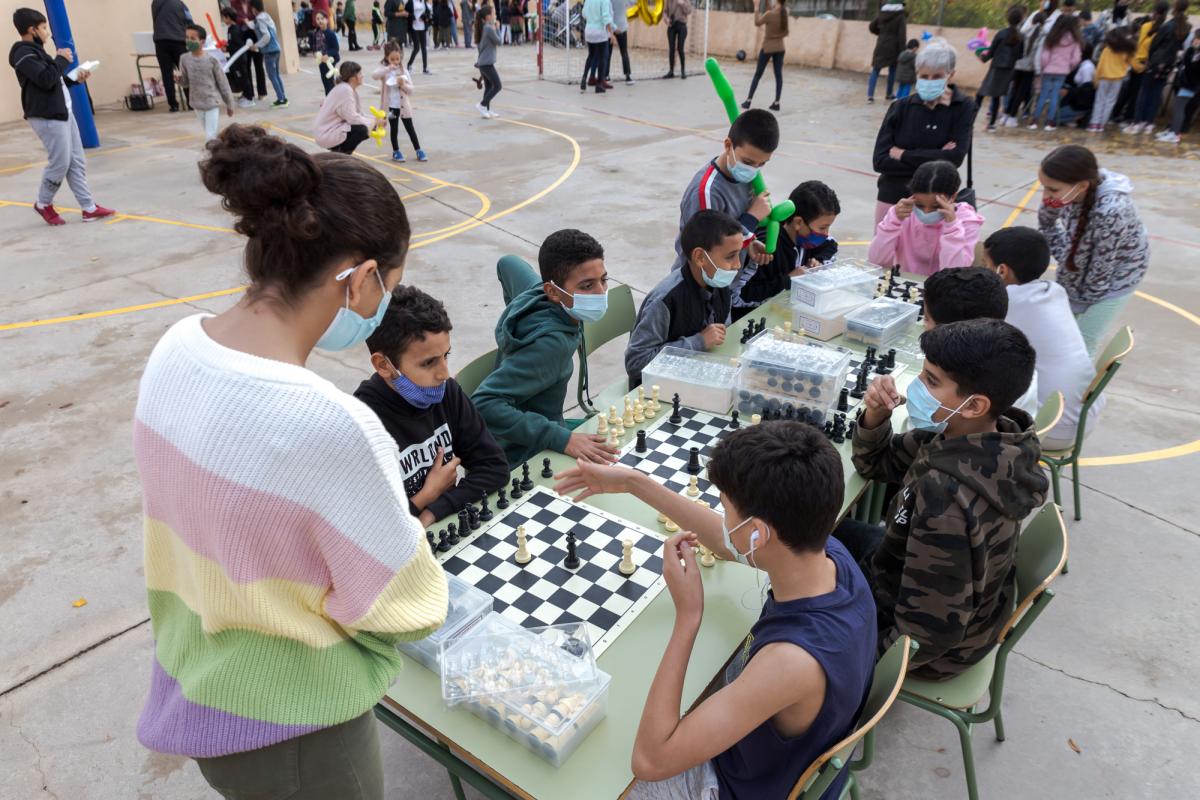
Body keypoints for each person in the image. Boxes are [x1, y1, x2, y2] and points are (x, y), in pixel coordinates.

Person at [134, 123, 448, 800]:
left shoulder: (174, 348)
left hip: (203, 691)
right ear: (362, 281)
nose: (383, 300)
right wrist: (408, 534)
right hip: (297, 731)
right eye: (389, 285)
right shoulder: (329, 422)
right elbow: (406, 606)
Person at [553, 421, 876, 800]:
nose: (723, 520)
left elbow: (651, 761)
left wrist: (688, 618)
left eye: (725, 508)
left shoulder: (791, 662)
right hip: (778, 752)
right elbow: (730, 545)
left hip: (734, 786)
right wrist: (633, 483)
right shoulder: (831, 557)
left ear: (758, 533)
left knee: (588, 776)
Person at [834, 318, 1048, 679]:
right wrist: (875, 417)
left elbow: (928, 632)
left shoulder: (945, 498)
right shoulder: (979, 437)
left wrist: (857, 668)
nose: (915, 388)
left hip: (928, 645)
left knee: (794, 577)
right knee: (817, 534)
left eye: (931, 381)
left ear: (975, 405)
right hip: (909, 575)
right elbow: (876, 464)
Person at [356, 286, 509, 526]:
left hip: (438, 525)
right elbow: (368, 527)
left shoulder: (446, 392)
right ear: (383, 365)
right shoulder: (361, 426)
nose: (444, 374)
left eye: (446, 356)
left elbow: (494, 467)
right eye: (428, 363)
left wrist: (433, 510)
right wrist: (425, 497)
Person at [472, 229, 620, 468]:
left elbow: (507, 264)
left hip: (543, 428)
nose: (601, 293)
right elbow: (483, 403)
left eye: (603, 280)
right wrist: (561, 438)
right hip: (521, 453)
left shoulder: (538, 292)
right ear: (552, 291)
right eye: (587, 286)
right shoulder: (550, 345)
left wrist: (517, 315)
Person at [983, 226, 1102, 451]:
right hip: (1083, 417)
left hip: (1051, 429)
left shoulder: (1006, 303)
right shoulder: (1054, 291)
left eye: (985, 264)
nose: (984, 269)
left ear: (1001, 271)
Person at [1037, 144, 1150, 356]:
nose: (1045, 196)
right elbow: (1069, 257)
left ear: (1081, 186)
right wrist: (1047, 218)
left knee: (1083, 343)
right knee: (1063, 334)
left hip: (1117, 276)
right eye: (1043, 187)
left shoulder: (1111, 213)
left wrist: (1078, 304)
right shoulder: (1069, 193)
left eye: (1052, 189)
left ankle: (1078, 389)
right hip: (1084, 268)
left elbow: (1099, 274)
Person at [8, 8, 115, 226]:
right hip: (47, 115)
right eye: (44, 27)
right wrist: (61, 60)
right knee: (60, 162)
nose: (47, 32)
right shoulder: (23, 53)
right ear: (32, 29)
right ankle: (43, 203)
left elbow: (53, 82)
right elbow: (46, 79)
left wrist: (75, 78)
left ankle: (88, 207)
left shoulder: (36, 51)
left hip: (62, 111)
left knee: (76, 161)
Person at [625, 210, 740, 387]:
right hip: (658, 389)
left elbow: (722, 335)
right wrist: (698, 342)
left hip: (697, 377)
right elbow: (636, 363)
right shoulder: (665, 300)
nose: (738, 264)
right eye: (731, 256)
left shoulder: (721, 286)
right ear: (700, 257)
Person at [671, 108, 778, 287]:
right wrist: (752, 218)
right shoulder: (706, 192)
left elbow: (734, 230)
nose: (754, 170)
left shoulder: (746, 176)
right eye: (749, 162)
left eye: (762, 164)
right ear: (728, 145)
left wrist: (750, 241)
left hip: (725, 284)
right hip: (698, 284)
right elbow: (709, 249)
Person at [871, 39, 974, 226]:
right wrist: (937, 156)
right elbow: (880, 161)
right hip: (892, 195)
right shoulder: (900, 107)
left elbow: (955, 158)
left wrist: (903, 154)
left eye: (937, 76)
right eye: (924, 76)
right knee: (884, 251)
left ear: (950, 75)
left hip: (934, 203)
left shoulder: (963, 107)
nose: (929, 81)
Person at [920, 267, 1038, 417]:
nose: (923, 325)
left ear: (952, 333)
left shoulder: (958, 391)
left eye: (926, 319)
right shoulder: (1015, 359)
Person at [730, 180, 841, 317]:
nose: (826, 234)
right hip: (754, 320)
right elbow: (739, 297)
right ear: (798, 222)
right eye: (822, 227)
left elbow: (831, 245)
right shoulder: (766, 248)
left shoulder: (808, 240)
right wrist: (787, 281)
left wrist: (818, 262)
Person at [868, 160, 982, 276]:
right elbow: (877, 261)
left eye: (936, 206)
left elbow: (954, 274)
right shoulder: (903, 214)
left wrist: (952, 228)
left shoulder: (967, 221)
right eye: (920, 205)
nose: (926, 212)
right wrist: (892, 222)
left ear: (953, 197)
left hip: (944, 289)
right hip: (905, 282)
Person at [1133, 0, 1192, 134]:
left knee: (1144, 92)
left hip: (1156, 62)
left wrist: (1151, 57)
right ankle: (1149, 123)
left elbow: (1155, 44)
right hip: (1169, 63)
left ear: (1175, 8)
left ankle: (1137, 122)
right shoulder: (1186, 27)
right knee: (1156, 93)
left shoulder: (1167, 26)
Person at [178, 25, 235, 143]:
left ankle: (214, 157)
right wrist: (178, 79)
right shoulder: (184, 59)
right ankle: (221, 151)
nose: (189, 41)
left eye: (193, 38)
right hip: (196, 104)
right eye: (187, 37)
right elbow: (186, 83)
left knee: (210, 137)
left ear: (202, 41)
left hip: (211, 103)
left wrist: (229, 103)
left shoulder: (212, 61)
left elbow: (223, 83)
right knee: (210, 133)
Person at [1118, 1, 1170, 128]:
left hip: (1140, 62)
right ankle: (1137, 119)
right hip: (1148, 63)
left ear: (1154, 12)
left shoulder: (1149, 27)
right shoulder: (1164, 29)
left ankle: (1132, 119)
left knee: (1137, 93)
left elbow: (1139, 44)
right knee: (1142, 93)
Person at [314, 61, 382, 153]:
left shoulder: (348, 89)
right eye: (360, 73)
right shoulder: (345, 90)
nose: (363, 75)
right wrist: (374, 122)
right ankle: (341, 156)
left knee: (364, 127)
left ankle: (339, 154)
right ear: (353, 77)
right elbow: (353, 119)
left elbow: (359, 114)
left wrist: (376, 120)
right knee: (361, 130)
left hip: (331, 129)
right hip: (326, 133)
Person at [374, 39, 426, 161]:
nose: (396, 62)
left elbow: (411, 90)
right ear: (387, 58)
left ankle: (418, 150)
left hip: (404, 107)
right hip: (391, 107)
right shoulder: (385, 71)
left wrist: (403, 85)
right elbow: (374, 75)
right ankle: (396, 151)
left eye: (398, 59)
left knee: (410, 128)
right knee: (394, 129)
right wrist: (387, 69)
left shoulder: (404, 71)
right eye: (392, 59)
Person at [1030, 13, 1083, 130]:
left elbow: (1044, 56)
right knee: (1055, 96)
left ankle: (1034, 121)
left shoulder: (1052, 36)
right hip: (1062, 71)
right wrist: (1069, 67)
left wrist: (1044, 67)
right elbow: (1076, 59)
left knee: (1043, 95)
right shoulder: (1075, 40)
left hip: (1048, 70)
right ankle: (1049, 123)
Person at [977, 6, 1025, 131]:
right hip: (1008, 70)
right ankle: (992, 125)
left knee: (980, 94)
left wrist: (982, 57)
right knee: (996, 96)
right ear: (1021, 20)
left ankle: (969, 120)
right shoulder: (1021, 36)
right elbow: (1021, 55)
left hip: (996, 68)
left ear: (1007, 18)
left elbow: (991, 52)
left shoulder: (1001, 33)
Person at [741, 0, 787, 111]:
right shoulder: (784, 14)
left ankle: (748, 101)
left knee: (758, 74)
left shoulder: (769, 14)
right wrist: (774, 34)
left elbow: (757, 22)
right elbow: (785, 33)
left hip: (767, 48)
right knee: (778, 75)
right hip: (780, 48)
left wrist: (756, 6)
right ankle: (777, 103)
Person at [1155, 30, 1199, 142]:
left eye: (1196, 38)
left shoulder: (1195, 53)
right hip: (1186, 84)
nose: (1193, 40)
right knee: (1178, 108)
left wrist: (1188, 54)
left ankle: (1175, 133)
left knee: (1179, 109)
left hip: (1190, 85)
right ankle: (1172, 130)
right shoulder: (1195, 52)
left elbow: (1192, 69)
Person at [1089, 26, 1136, 131]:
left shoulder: (1107, 49)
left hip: (1104, 77)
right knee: (1110, 102)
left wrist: (1096, 78)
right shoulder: (1126, 50)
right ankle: (1102, 125)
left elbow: (1100, 65)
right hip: (1118, 79)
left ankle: (1094, 124)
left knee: (1099, 101)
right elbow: (1133, 63)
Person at [1003, 11, 1043, 125]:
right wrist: (1038, 70)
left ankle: (1006, 114)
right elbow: (1038, 54)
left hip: (1017, 65)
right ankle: (1012, 117)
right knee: (1021, 93)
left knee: (1014, 90)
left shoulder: (1024, 31)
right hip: (1029, 68)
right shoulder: (1042, 34)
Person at [150, 0, 189, 113]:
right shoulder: (180, 4)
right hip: (179, 41)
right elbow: (189, 20)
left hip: (161, 42)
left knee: (167, 74)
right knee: (184, 72)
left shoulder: (155, 3)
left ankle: (173, 105)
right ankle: (190, 103)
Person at [250, 0, 289, 108]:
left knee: (272, 75)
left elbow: (266, 36)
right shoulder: (267, 16)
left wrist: (256, 45)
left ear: (254, 8)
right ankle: (283, 98)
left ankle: (281, 99)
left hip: (269, 51)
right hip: (276, 49)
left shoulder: (259, 18)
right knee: (276, 75)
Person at [229, 0, 269, 101]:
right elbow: (234, 18)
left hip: (256, 36)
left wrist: (251, 22)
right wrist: (244, 20)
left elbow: (260, 15)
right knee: (245, 66)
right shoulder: (234, 3)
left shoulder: (254, 2)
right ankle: (249, 93)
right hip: (242, 36)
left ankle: (262, 92)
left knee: (259, 65)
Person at [867, 2, 906, 103]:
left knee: (876, 69)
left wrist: (881, 33)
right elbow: (902, 35)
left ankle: (870, 95)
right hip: (894, 46)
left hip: (881, 44)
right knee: (892, 70)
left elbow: (872, 27)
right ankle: (889, 94)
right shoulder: (900, 16)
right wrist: (903, 51)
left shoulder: (882, 13)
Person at [221, 8, 256, 108]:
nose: (223, 20)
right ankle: (245, 95)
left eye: (224, 18)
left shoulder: (235, 30)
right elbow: (233, 43)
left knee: (243, 78)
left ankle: (250, 98)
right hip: (235, 59)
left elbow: (238, 45)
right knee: (240, 78)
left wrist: (227, 48)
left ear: (228, 17)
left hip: (239, 59)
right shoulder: (231, 29)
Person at [580, 0, 615, 93]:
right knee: (602, 58)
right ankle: (599, 84)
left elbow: (584, 13)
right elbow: (606, 17)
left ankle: (583, 79)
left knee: (591, 55)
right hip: (600, 31)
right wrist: (611, 33)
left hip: (589, 30)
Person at [474, 4, 501, 118]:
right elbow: (499, 41)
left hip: (483, 63)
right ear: (488, 16)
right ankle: (482, 105)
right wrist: (498, 28)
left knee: (489, 87)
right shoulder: (489, 28)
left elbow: (480, 47)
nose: (494, 15)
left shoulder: (484, 27)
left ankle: (486, 110)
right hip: (486, 64)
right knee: (498, 86)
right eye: (493, 13)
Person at [312, 9, 341, 95]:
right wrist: (314, 53)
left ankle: (331, 99)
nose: (320, 21)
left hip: (330, 60)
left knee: (329, 81)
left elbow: (336, 48)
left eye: (322, 18)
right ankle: (328, 98)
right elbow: (314, 45)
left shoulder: (330, 33)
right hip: (321, 61)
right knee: (324, 79)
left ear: (327, 20)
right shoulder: (315, 33)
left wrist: (328, 54)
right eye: (318, 19)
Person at [605, 0, 633, 85]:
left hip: (611, 27)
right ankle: (628, 76)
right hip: (622, 27)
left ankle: (606, 75)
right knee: (624, 52)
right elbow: (633, 2)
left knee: (608, 53)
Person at [663, 0, 691, 79]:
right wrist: (666, 19)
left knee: (680, 48)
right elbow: (664, 12)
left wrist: (682, 4)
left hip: (682, 25)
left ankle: (683, 71)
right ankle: (671, 71)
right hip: (672, 25)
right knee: (671, 49)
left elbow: (689, 11)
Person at [406, 0, 431, 73]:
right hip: (414, 27)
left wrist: (425, 16)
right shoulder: (411, 2)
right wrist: (411, 16)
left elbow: (428, 12)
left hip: (422, 27)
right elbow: (406, 12)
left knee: (424, 48)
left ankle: (425, 68)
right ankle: (409, 64)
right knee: (417, 48)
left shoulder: (423, 2)